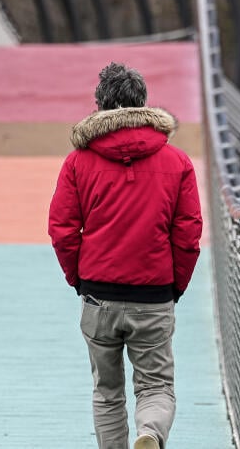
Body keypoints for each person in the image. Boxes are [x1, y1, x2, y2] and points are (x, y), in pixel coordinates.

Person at [48, 62, 202, 449]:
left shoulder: (78, 162)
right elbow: (188, 234)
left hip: (99, 294)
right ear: (143, 104)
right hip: (153, 295)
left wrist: (79, 280)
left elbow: (63, 231)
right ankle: (149, 432)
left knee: (107, 391)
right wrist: (174, 286)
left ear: (100, 105)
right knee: (156, 386)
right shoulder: (178, 162)